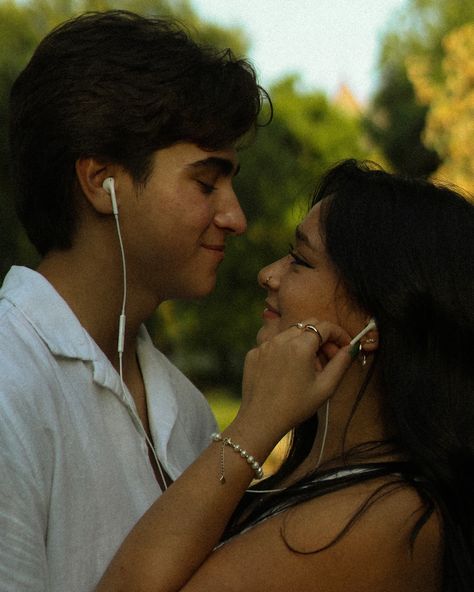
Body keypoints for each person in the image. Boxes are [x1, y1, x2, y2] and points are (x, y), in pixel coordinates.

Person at [96, 159, 474, 592]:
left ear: (374, 320)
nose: (268, 274)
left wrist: (256, 423)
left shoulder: (385, 520)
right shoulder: (343, 488)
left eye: (300, 260)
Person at [0, 10, 269, 592]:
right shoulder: (9, 383)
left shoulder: (187, 407)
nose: (236, 217)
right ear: (102, 182)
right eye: (206, 182)